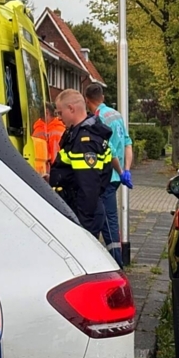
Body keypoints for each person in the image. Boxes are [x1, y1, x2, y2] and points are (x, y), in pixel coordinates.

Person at [48, 89, 113, 233]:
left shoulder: (84, 141)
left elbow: (88, 185)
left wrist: (84, 225)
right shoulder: (79, 132)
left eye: (60, 112)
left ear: (71, 109)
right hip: (82, 207)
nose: (58, 117)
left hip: (83, 212)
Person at [84, 82, 133, 267]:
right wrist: (127, 170)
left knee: (107, 220)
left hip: (107, 176)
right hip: (117, 177)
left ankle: (116, 263)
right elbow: (127, 142)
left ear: (87, 100)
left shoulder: (98, 119)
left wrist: (120, 171)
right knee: (108, 219)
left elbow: (109, 151)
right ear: (102, 97)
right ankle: (113, 260)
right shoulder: (116, 114)